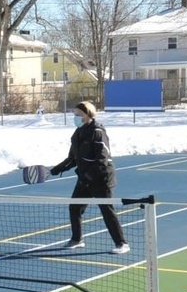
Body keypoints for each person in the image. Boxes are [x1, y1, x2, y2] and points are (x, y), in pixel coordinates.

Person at [47, 101, 129, 254]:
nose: (76, 117)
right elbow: (73, 158)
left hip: (102, 178)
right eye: (75, 114)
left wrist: (89, 175)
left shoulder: (98, 132)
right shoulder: (77, 133)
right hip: (85, 178)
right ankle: (77, 239)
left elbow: (102, 159)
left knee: (106, 209)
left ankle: (122, 244)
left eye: (79, 114)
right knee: (75, 207)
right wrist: (54, 170)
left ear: (88, 115)